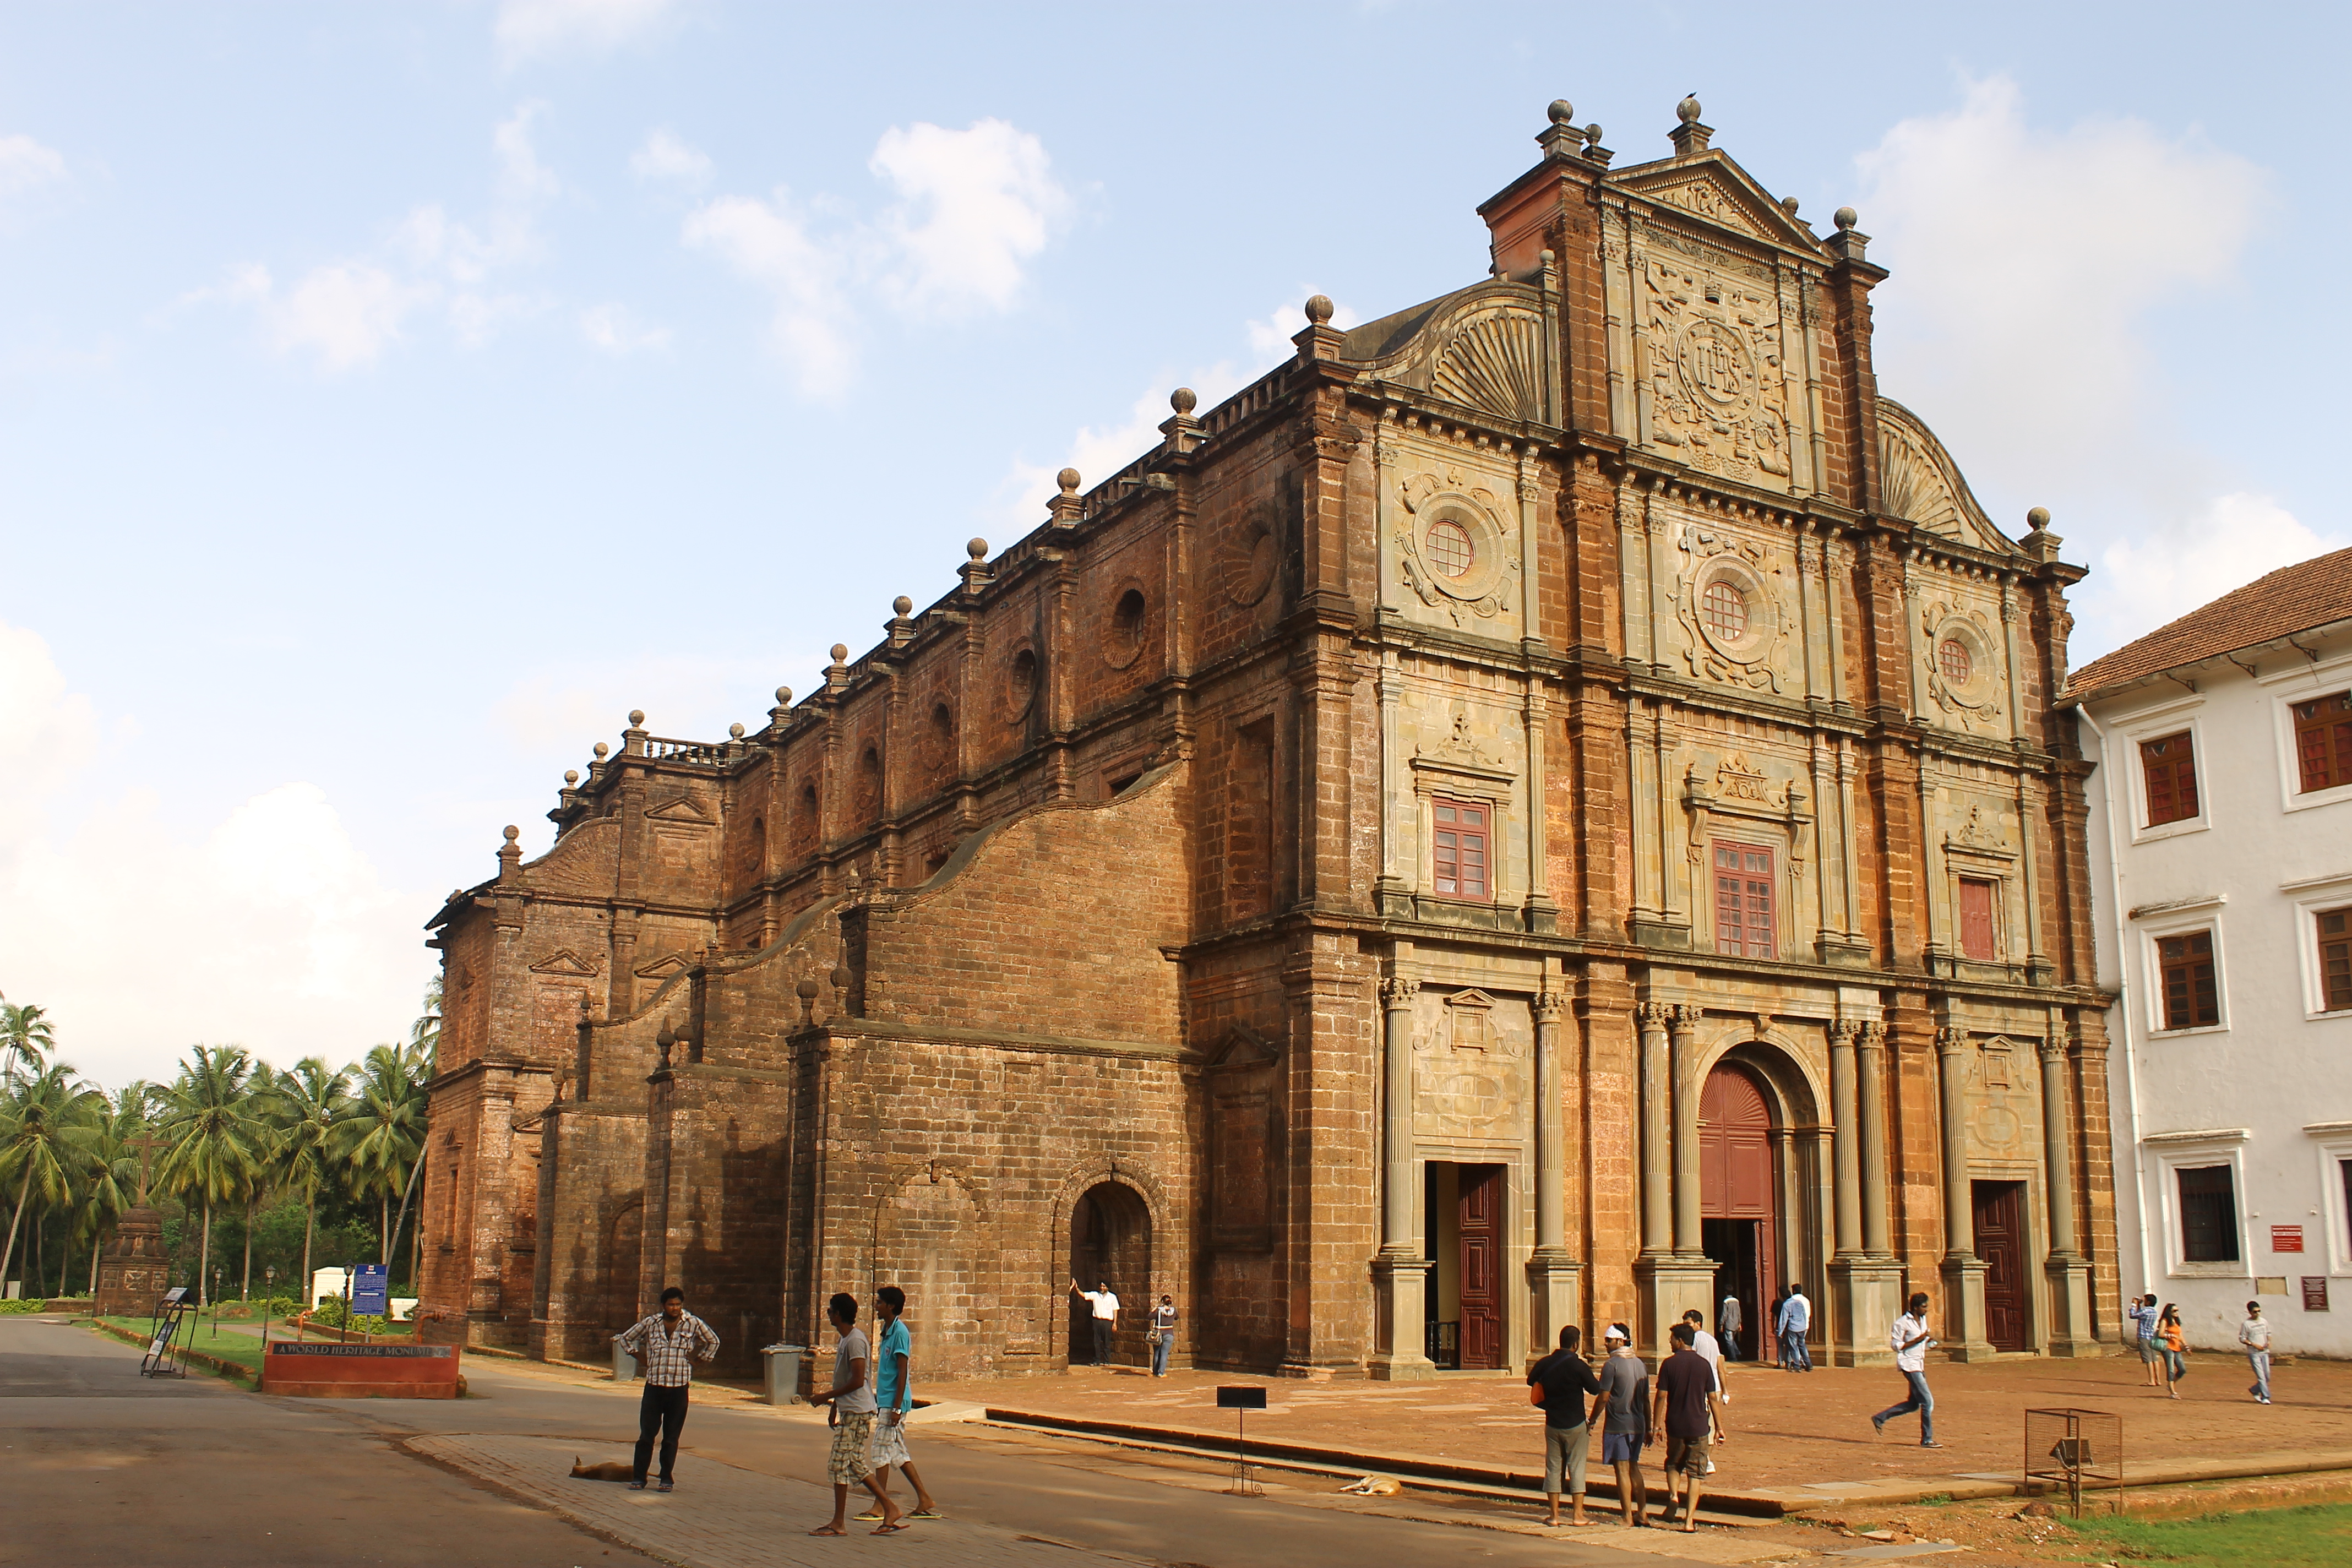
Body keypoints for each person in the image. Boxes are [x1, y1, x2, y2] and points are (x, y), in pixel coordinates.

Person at [808, 1293, 902, 1536]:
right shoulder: (846, 1339)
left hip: (859, 1411)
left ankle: (839, 1522)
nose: (828, 1314)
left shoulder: (855, 1341)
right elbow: (845, 1379)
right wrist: (834, 1407)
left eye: (830, 1311)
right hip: (851, 1410)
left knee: (839, 1464)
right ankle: (890, 1508)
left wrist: (825, 1397)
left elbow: (858, 1380)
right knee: (854, 1464)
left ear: (839, 1314)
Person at [617, 1285, 720, 1493]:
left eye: (678, 1305)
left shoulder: (692, 1323)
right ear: (664, 1306)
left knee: (671, 1438)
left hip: (678, 1388)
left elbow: (713, 1341)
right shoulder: (651, 1323)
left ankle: (666, 1478)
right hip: (654, 1387)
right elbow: (626, 1338)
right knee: (647, 1436)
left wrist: (699, 1361)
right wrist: (639, 1356)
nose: (675, 1308)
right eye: (671, 1304)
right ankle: (639, 1477)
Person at [856, 1285, 940, 1525]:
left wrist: (895, 1408)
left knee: (880, 1452)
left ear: (891, 1306)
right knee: (897, 1453)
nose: (876, 1306)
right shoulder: (887, 1330)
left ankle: (881, 1505)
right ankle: (924, 1499)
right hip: (885, 1399)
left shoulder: (900, 1332)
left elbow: (902, 1371)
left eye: (880, 1302)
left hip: (895, 1402)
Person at [1651, 1321, 1729, 1533]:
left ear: (1680, 1341)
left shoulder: (1669, 1364)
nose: (1670, 1342)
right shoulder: (1704, 1365)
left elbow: (1661, 1396)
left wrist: (1656, 1425)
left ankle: (1674, 1496)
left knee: (1674, 1464)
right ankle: (1689, 1520)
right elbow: (1713, 1397)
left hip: (1676, 1424)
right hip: (1699, 1425)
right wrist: (1719, 1427)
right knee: (1696, 1473)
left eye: (1672, 1339)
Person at [1526, 1325, 1603, 1526]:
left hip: (1553, 1422)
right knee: (1577, 1468)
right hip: (1576, 1423)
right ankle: (1578, 1515)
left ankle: (1554, 1515)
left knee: (1553, 1468)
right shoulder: (1579, 1366)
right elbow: (1595, 1389)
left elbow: (1530, 1381)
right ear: (1576, 1344)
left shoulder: (1546, 1363)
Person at [1589, 1323, 1652, 1527]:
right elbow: (1646, 1400)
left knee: (1622, 1470)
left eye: (1609, 1340)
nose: (1606, 1344)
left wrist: (1593, 1419)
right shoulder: (1640, 1364)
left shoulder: (1612, 1365)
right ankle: (1642, 1513)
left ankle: (1627, 1516)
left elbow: (1604, 1397)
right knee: (1634, 1468)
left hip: (1619, 1423)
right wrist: (1649, 1426)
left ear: (1620, 1341)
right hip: (1639, 1423)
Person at [1871, 1293, 1941, 1448]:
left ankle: (1880, 1418)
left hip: (1919, 1363)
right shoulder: (1901, 1323)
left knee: (1913, 1404)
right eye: (1924, 1307)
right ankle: (1927, 1439)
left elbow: (1924, 1340)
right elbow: (1897, 1346)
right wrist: (1918, 1340)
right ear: (1915, 1307)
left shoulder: (1923, 1320)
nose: (1926, 1310)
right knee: (1928, 1402)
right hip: (1909, 1365)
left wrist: (1930, 1342)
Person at [1071, 1278, 1120, 1366]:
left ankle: (1106, 1361)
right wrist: (1077, 1288)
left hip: (1107, 1322)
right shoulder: (1095, 1295)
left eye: (1104, 1286)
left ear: (1107, 1288)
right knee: (1096, 1342)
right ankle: (1096, 1360)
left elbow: (1115, 1310)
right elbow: (1083, 1294)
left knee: (1106, 1342)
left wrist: (1115, 1323)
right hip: (1097, 1321)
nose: (1102, 1288)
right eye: (1101, 1286)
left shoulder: (1112, 1297)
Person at [2239, 1300, 2272, 1405]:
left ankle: (2255, 1390)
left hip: (2265, 1352)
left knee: (2267, 1376)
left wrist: (2269, 1342)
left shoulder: (2264, 1321)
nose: (2257, 1314)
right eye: (2255, 1312)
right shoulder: (2247, 1324)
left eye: (2259, 1311)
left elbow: (2268, 1333)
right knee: (2261, 1376)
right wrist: (2253, 1344)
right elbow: (2242, 1338)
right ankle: (2265, 1397)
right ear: (2250, 1312)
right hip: (2254, 1353)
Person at [2129, 1292, 2163, 1387]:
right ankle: (2158, 1380)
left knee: (2148, 1360)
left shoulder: (2146, 1311)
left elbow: (2133, 1315)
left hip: (2144, 1337)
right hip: (2151, 1336)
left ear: (2148, 1302)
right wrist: (2139, 1306)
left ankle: (2152, 1380)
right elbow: (2140, 1315)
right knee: (2154, 1358)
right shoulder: (2153, 1311)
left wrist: (2134, 1304)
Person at [1776, 1283, 1812, 1371]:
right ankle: (1808, 1364)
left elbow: (1784, 1319)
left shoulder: (1787, 1304)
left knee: (1794, 1347)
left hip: (1793, 1327)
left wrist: (1780, 1332)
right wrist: (1804, 1325)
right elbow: (1805, 1314)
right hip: (1802, 1327)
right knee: (1802, 1346)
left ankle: (1797, 1366)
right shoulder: (1801, 1302)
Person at [2157, 1303, 2188, 1398]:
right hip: (2168, 1347)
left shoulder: (2176, 1322)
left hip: (2176, 1347)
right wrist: (2171, 1336)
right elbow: (2160, 1334)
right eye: (2174, 1311)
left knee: (2182, 1369)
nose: (2177, 1313)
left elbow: (2180, 1335)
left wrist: (2186, 1346)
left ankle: (2171, 1384)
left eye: (2177, 1310)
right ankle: (2172, 1392)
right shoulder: (2165, 1321)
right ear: (2169, 1312)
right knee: (2171, 1369)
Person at [1149, 1294, 1177, 1378]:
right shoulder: (1174, 1310)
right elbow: (1177, 1318)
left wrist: (1154, 1309)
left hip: (1159, 1334)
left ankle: (1155, 1372)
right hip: (1169, 1334)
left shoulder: (1159, 1310)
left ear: (1162, 1302)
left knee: (1157, 1353)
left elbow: (1149, 1317)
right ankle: (1161, 1373)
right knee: (1164, 1353)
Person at [1718, 1291, 1743, 1362]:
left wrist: (1721, 1324)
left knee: (1729, 1342)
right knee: (1731, 1340)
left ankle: (1733, 1357)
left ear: (1726, 1292)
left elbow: (1724, 1314)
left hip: (1729, 1324)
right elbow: (1739, 1313)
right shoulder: (1736, 1301)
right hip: (1736, 1323)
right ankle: (1737, 1352)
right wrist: (1739, 1323)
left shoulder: (1726, 1302)